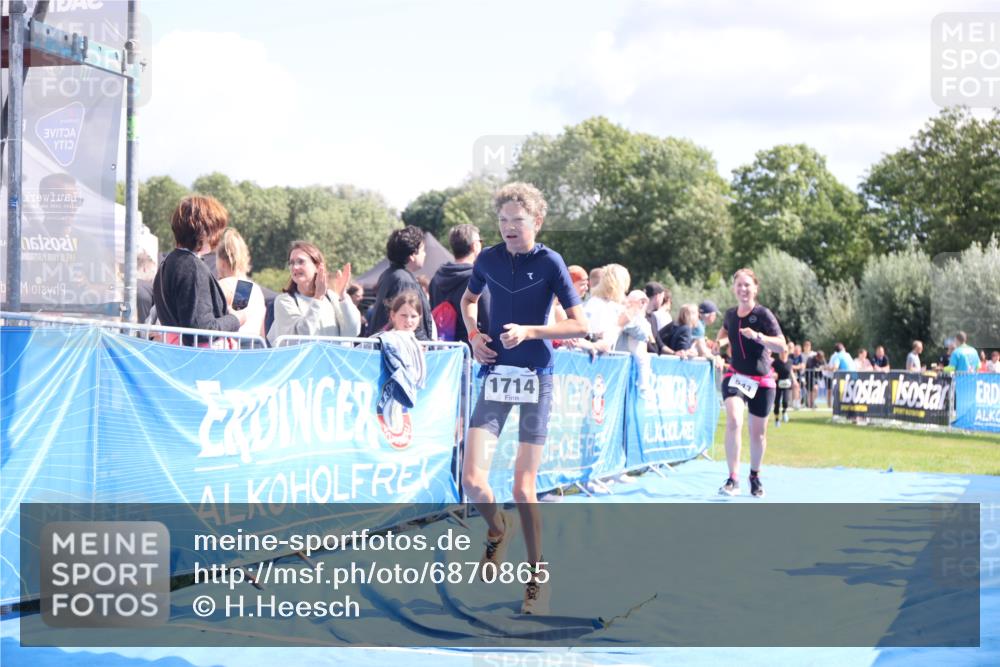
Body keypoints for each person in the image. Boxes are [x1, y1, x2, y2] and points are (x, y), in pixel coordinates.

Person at [459, 182, 588, 615]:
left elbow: (579, 325)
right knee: (473, 480)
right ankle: (499, 529)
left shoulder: (550, 263)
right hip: (496, 373)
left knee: (522, 485)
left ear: (536, 221)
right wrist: (475, 334)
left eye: (517, 220)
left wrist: (531, 331)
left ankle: (537, 576)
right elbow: (468, 299)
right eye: (502, 221)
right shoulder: (488, 258)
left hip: (536, 376)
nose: (509, 228)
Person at [715, 268, 785, 498]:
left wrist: (758, 337)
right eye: (739, 285)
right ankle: (733, 478)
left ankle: (754, 475)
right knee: (734, 419)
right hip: (737, 376)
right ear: (734, 288)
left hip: (762, 380)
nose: (743, 289)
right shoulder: (730, 314)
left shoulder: (763, 315)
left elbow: (781, 346)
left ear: (755, 288)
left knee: (758, 434)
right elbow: (724, 331)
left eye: (747, 285)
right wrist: (720, 343)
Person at [152, 196, 246, 345]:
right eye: (217, 229)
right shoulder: (192, 267)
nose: (218, 236)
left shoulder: (167, 264)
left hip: (177, 354)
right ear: (205, 230)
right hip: (199, 360)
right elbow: (202, 330)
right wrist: (235, 320)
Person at [267, 241, 360, 345]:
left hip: (332, 361)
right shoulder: (284, 300)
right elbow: (301, 337)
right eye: (291, 263)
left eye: (301, 261)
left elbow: (352, 332)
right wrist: (318, 298)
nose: (295, 267)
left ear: (317, 267)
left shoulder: (331, 297)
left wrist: (342, 296)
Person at [367, 226, 434, 339]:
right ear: (412, 255)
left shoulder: (390, 275)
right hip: (404, 350)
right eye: (422, 250)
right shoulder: (403, 281)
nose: (425, 254)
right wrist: (424, 344)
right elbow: (407, 320)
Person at [429, 224, 489, 345]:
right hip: (473, 350)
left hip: (445, 350)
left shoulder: (435, 279)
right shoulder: (478, 278)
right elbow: (488, 319)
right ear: (475, 246)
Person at [216, 228, 267, 339]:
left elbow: (239, 322)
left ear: (222, 262)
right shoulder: (254, 288)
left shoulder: (225, 286)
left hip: (236, 349)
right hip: (256, 348)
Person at [772, 344, 794, 426]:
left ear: (787, 352)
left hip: (787, 384)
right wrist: (774, 374)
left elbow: (791, 371)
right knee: (777, 402)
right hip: (778, 384)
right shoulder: (775, 362)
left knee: (785, 401)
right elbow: (771, 370)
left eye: (785, 352)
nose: (783, 353)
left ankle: (784, 412)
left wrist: (795, 381)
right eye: (781, 352)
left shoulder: (790, 361)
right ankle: (777, 419)